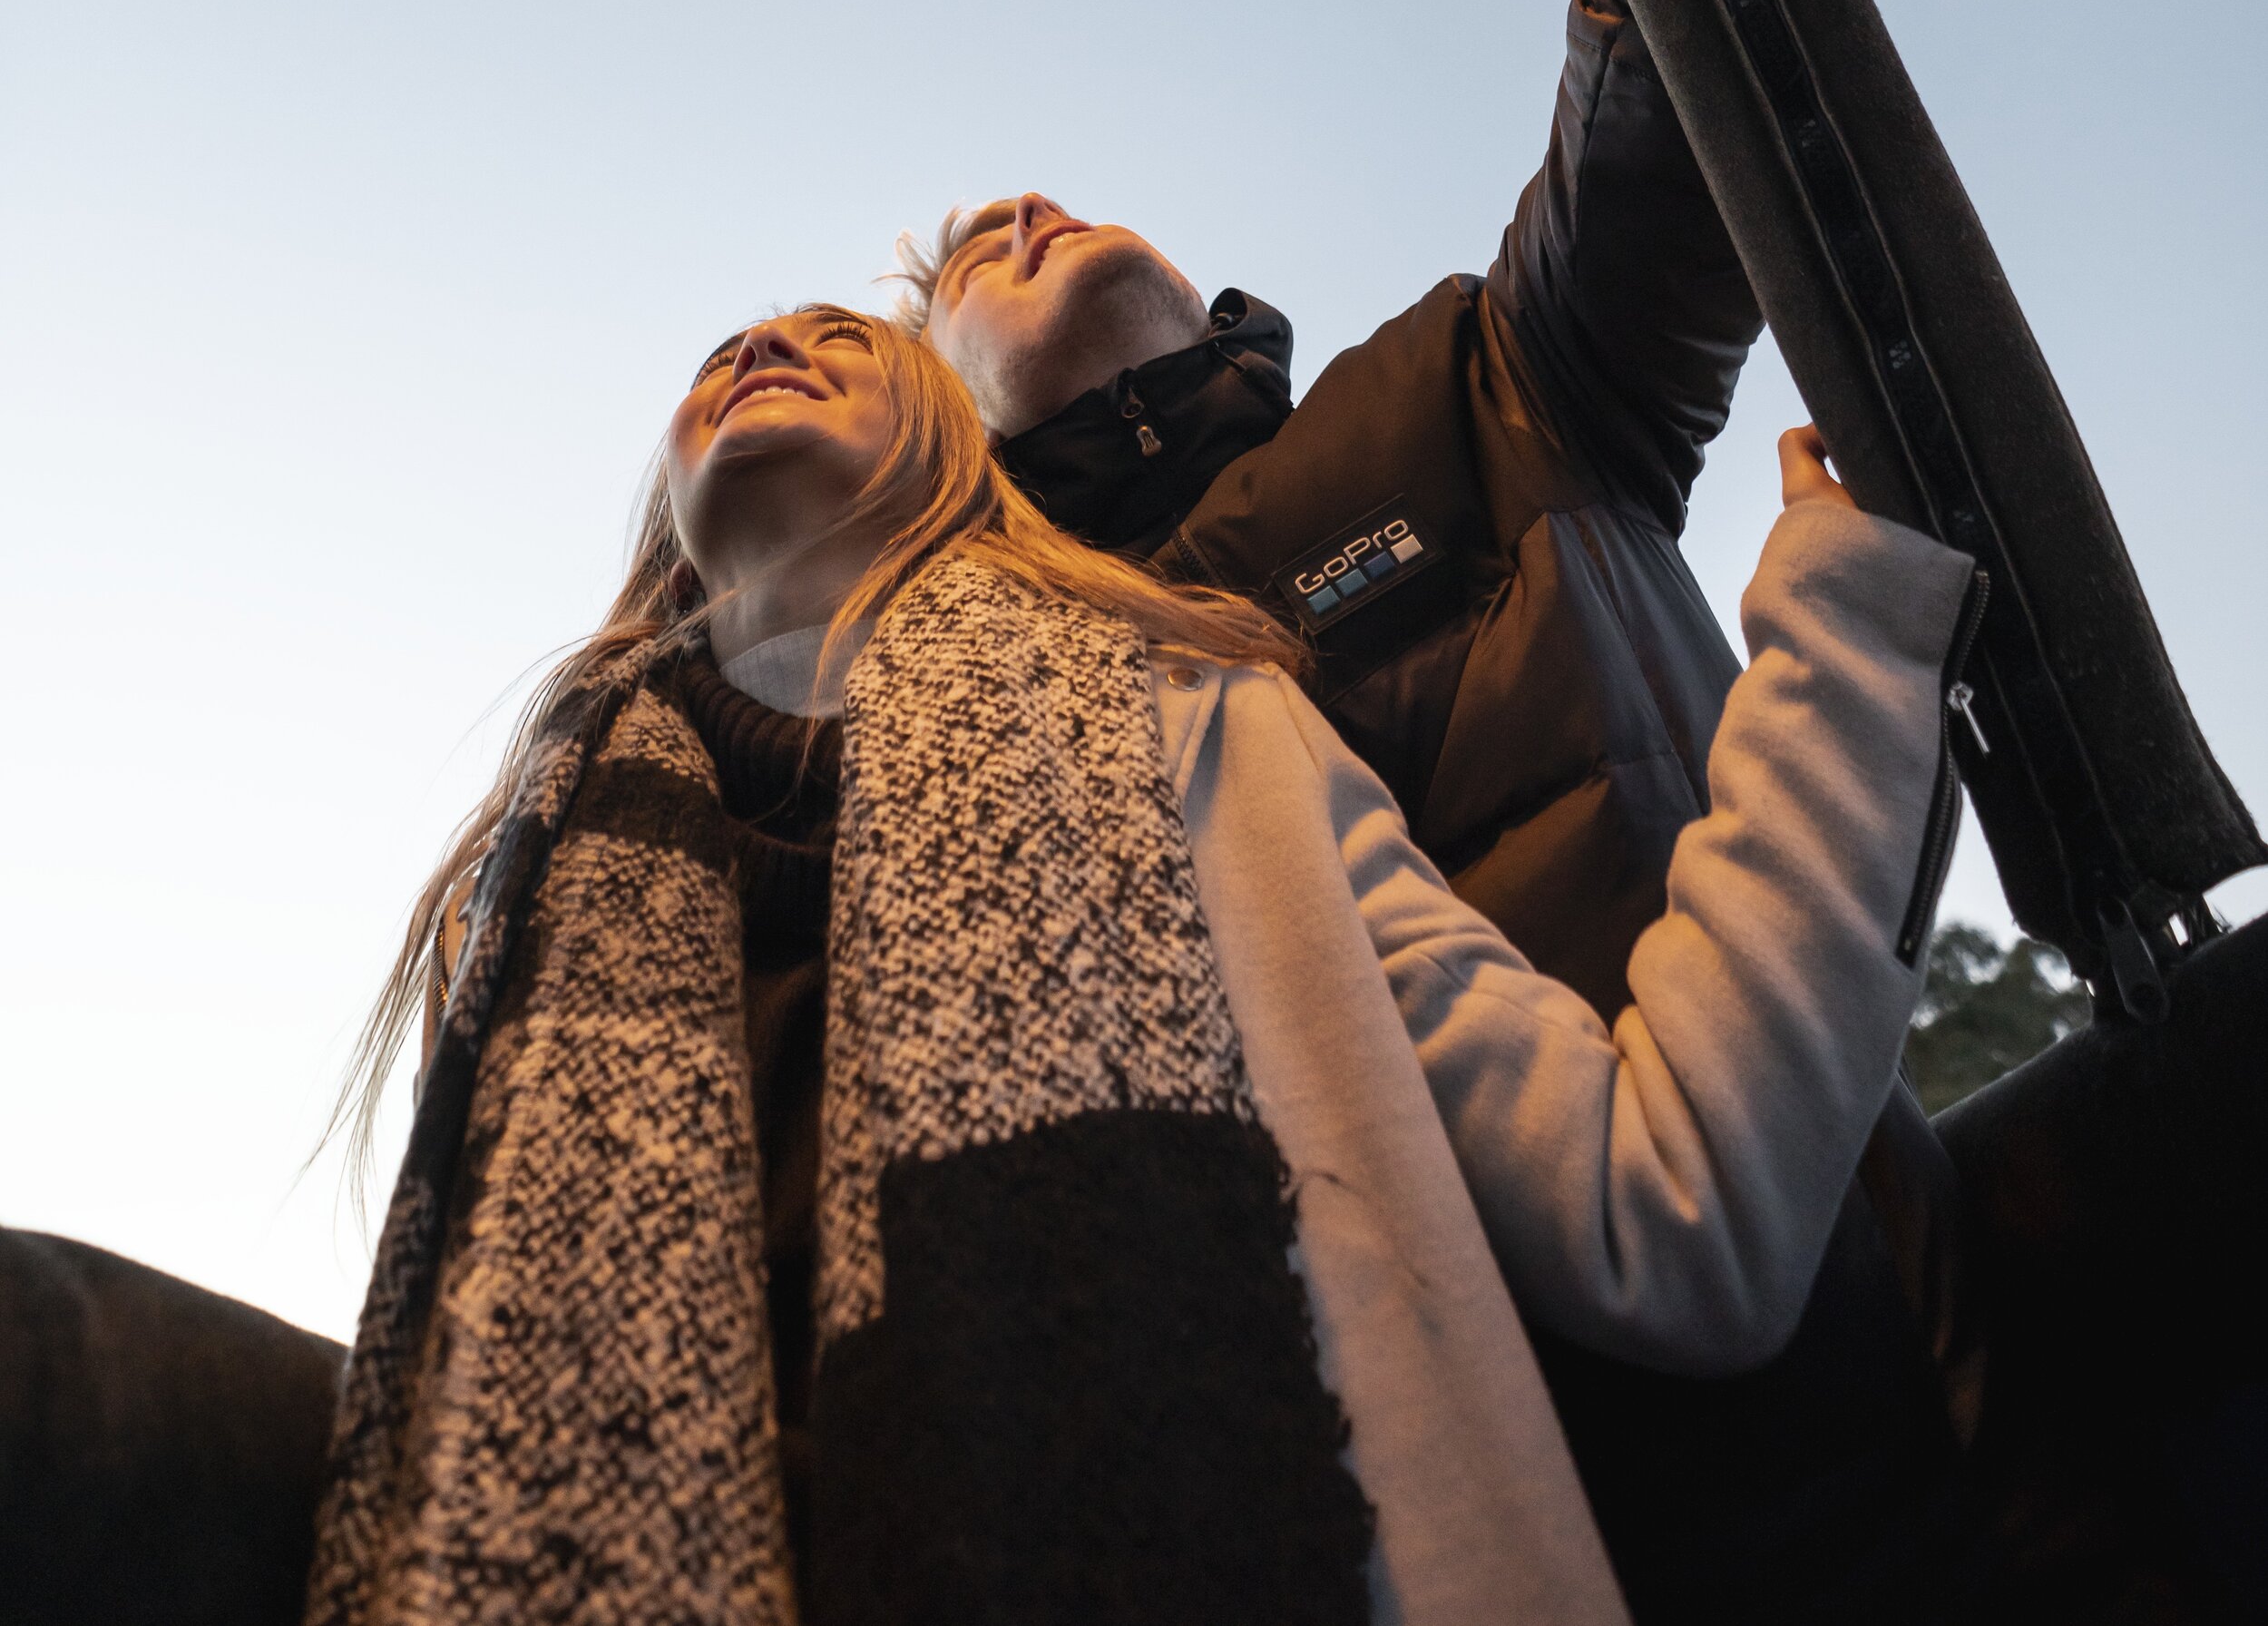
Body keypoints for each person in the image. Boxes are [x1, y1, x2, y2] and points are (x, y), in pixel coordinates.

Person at [898, 0, 1978, 1621]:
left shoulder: (1488, 381)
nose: (999, 201)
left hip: (1866, 1360)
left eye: (1043, 190)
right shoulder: (1036, 720)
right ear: (955, 449)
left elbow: (1698, 14)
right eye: (938, 280)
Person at [315, 303, 1980, 1626]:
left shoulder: (1200, 728)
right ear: (667, 533)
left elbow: (1673, 1207)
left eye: (843, 343)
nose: (759, 349)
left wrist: (1852, 625)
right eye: (724, 354)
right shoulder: (534, 893)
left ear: (956, 456)